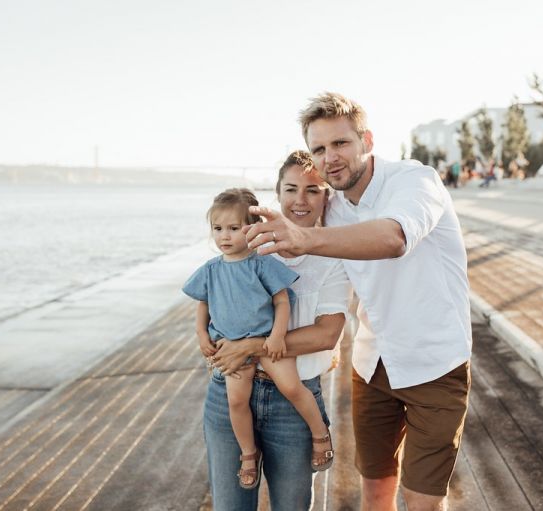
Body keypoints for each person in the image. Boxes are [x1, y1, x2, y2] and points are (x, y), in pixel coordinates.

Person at [244, 92, 472, 511]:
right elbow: (299, 207)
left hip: (434, 363)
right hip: (372, 365)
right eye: (319, 148)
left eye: (340, 143)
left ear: (366, 139)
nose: (330, 157)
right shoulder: (333, 204)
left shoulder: (415, 181)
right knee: (375, 494)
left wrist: (305, 238)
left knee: (422, 502)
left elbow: (393, 237)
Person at [205, 154, 350, 510]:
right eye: (291, 189)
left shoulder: (335, 256)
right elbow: (216, 294)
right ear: (278, 193)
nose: (300, 200)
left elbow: (326, 335)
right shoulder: (246, 241)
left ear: (326, 196)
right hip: (231, 391)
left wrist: (250, 346)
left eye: (312, 190)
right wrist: (209, 339)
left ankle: (321, 434)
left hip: (293, 401)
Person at [182, 187, 336, 491]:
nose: (225, 236)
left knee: (292, 387)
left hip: (267, 342)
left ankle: (320, 433)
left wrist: (278, 335)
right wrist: (201, 334)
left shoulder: (262, 263)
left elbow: (282, 302)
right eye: (218, 229)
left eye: (234, 229)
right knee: (236, 401)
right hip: (230, 348)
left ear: (251, 229)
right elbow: (204, 305)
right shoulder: (211, 270)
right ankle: (249, 455)